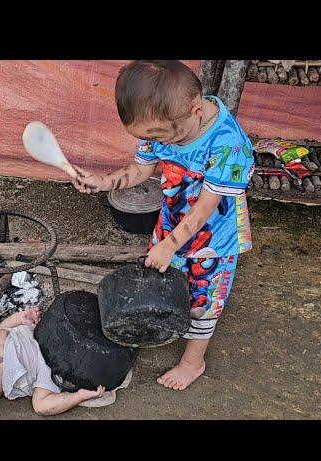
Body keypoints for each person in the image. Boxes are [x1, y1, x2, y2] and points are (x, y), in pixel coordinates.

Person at [71, 60, 254, 391]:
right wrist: (102, 182)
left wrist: (170, 245)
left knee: (204, 300)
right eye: (145, 136)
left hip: (212, 238)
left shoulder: (229, 145)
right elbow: (141, 170)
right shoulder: (161, 120)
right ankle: (165, 320)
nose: (155, 142)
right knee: (164, 279)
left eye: (157, 135)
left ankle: (192, 361)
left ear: (195, 110)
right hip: (172, 222)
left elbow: (203, 210)